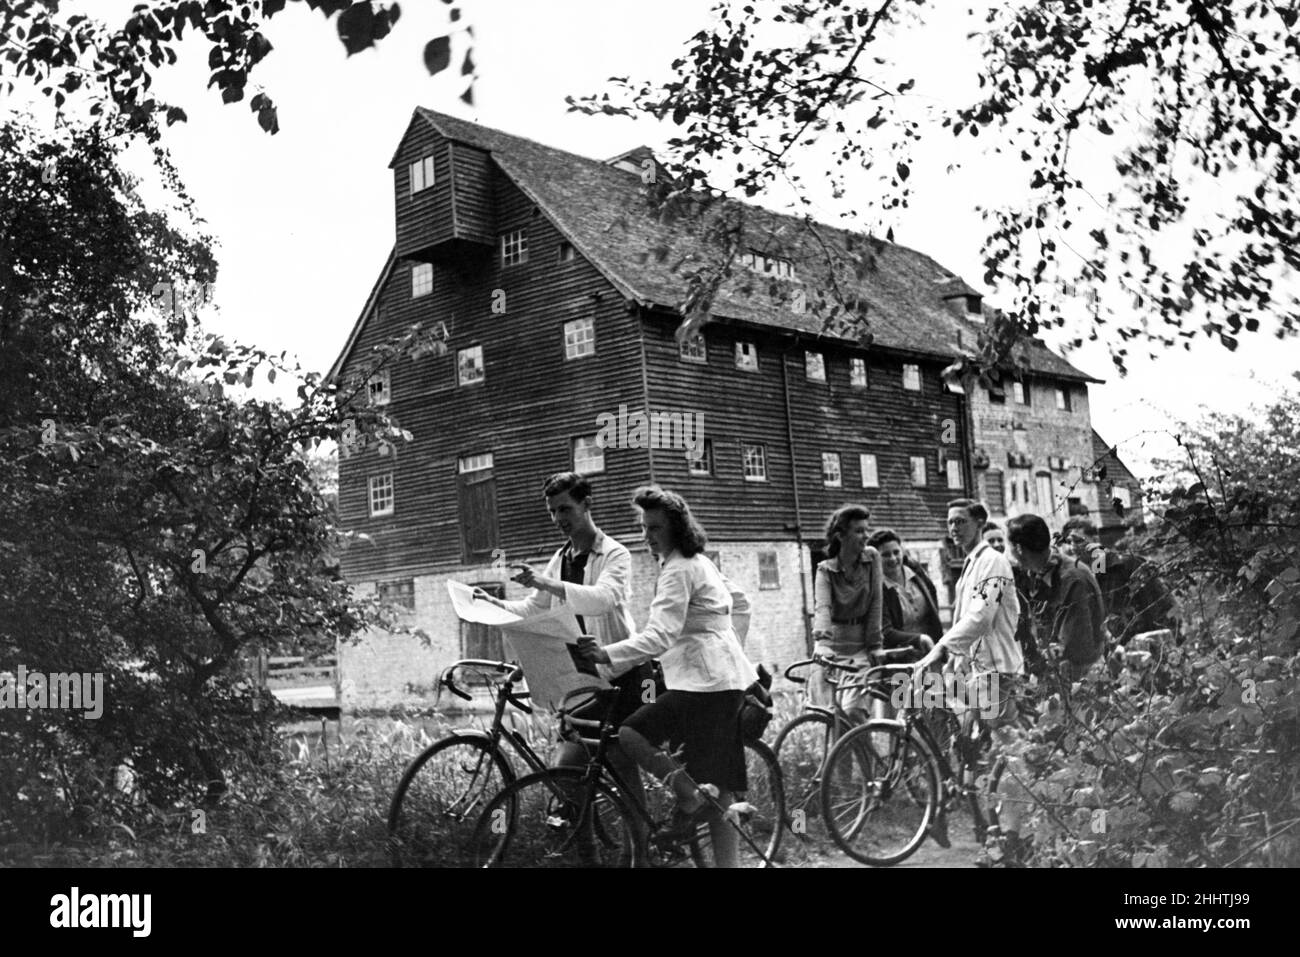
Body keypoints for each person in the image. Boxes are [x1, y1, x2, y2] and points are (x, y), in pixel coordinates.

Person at [577, 485, 756, 868]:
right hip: (720, 681)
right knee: (720, 786)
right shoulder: (697, 562)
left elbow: (660, 634)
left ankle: (686, 793)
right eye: (644, 527)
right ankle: (725, 857)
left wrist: (606, 654)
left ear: (676, 528)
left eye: (655, 528)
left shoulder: (678, 569)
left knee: (631, 733)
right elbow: (740, 603)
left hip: (704, 686)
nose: (647, 536)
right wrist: (729, 649)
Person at [474, 471, 650, 803]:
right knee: (569, 773)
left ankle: (639, 851)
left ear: (586, 505)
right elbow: (533, 609)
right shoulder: (561, 558)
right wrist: (493, 603)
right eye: (552, 511)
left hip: (621, 673)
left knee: (622, 768)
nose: (558, 519)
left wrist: (544, 582)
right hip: (583, 677)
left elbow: (602, 599)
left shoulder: (615, 554)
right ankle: (589, 851)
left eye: (565, 509)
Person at [912, 498, 1023, 855]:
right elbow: (966, 619)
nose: (953, 528)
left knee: (1006, 752)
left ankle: (1014, 836)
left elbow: (981, 617)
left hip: (998, 672)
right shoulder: (971, 563)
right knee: (975, 749)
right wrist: (953, 663)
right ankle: (992, 832)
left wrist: (942, 648)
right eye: (949, 522)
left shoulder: (993, 561)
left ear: (978, 522)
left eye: (960, 521)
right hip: (979, 671)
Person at [1007, 514, 1108, 684]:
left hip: (1082, 683)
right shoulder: (1033, 574)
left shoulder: (1072, 579)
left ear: (1018, 549)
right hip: (1056, 677)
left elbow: (1075, 648)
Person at [809, 504, 884, 721]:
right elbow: (822, 607)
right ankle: (841, 755)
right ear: (840, 536)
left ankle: (865, 756)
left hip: (860, 649)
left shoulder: (872, 559)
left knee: (854, 711)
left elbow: (875, 604)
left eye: (866, 530)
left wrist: (875, 645)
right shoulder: (825, 570)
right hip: (831, 649)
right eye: (859, 531)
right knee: (834, 719)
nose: (865, 536)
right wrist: (821, 643)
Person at [1057, 517, 1177, 645]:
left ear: (1096, 540)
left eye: (1077, 540)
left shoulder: (1127, 566)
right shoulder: (1078, 581)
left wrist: (1167, 651)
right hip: (1110, 658)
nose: (1072, 547)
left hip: (1145, 651)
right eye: (1068, 542)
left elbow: (1164, 608)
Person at [867, 528, 941, 656]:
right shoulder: (876, 588)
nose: (893, 558)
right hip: (900, 656)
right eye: (885, 555)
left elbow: (933, 611)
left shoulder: (917, 575)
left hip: (931, 651)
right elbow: (885, 632)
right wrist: (919, 639)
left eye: (896, 552)